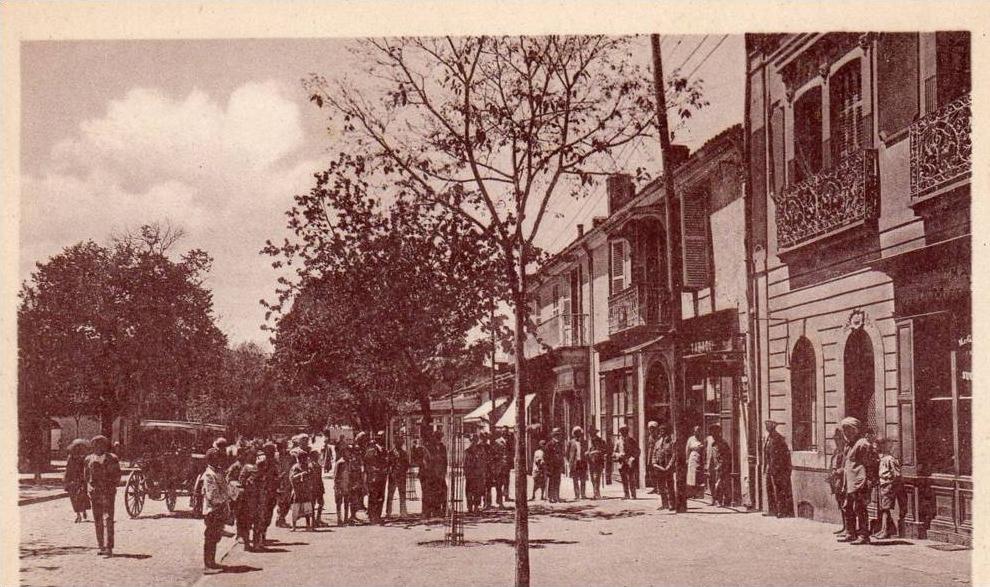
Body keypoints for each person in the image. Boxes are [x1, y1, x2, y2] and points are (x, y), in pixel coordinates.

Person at [838, 417, 878, 545]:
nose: (846, 432)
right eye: (844, 430)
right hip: (850, 482)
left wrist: (869, 480)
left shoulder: (862, 444)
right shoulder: (849, 444)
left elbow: (871, 464)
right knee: (847, 507)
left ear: (855, 430)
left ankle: (863, 535)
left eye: (848, 429)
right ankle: (850, 533)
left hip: (860, 482)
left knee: (859, 508)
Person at [84, 435, 121, 557]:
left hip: (108, 493)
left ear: (105, 446)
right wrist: (89, 487)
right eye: (95, 445)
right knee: (98, 519)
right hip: (95, 493)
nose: (98, 447)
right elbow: (86, 476)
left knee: (109, 518)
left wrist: (110, 486)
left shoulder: (112, 459)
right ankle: (101, 545)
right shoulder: (88, 459)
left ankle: (109, 546)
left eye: (101, 445)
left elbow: (117, 476)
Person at [202, 447, 232, 570]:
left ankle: (212, 562)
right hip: (213, 510)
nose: (219, 460)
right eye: (216, 458)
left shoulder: (217, 472)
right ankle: (208, 564)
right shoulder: (209, 474)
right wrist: (226, 497)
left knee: (215, 537)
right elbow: (212, 496)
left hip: (219, 509)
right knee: (211, 537)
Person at [873, 437, 906, 540]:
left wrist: (890, 484)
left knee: (885, 509)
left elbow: (897, 474)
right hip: (883, 485)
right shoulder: (883, 458)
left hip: (888, 486)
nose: (878, 448)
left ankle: (885, 531)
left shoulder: (890, 459)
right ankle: (883, 530)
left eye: (880, 445)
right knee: (884, 509)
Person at [762, 419, 793, 518]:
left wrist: (778, 468)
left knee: (778, 489)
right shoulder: (768, 438)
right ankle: (772, 510)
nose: (767, 428)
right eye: (766, 426)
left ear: (773, 427)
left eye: (768, 426)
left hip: (777, 469)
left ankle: (781, 511)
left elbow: (783, 455)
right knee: (769, 489)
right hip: (769, 467)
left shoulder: (778, 438)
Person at [236, 449, 261, 550]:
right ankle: (248, 543)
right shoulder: (247, 467)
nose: (254, 457)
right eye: (252, 456)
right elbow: (241, 480)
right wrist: (248, 482)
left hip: (256, 498)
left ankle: (255, 543)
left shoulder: (259, 467)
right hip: (248, 498)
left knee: (256, 521)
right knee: (248, 522)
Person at [650, 423, 676, 510]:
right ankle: (664, 504)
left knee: (669, 486)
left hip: (667, 467)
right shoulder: (657, 442)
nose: (662, 433)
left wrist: (669, 466)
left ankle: (672, 504)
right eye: (661, 431)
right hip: (659, 466)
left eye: (664, 431)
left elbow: (674, 455)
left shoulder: (671, 442)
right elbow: (654, 453)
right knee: (661, 486)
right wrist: (654, 463)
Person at [365, 431, 389, 524]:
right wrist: (373, 471)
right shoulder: (371, 449)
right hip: (374, 476)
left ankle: (378, 516)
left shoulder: (384, 450)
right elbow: (367, 463)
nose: (382, 439)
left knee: (381, 496)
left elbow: (386, 462)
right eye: (380, 437)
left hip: (382, 476)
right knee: (373, 496)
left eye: (383, 437)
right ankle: (372, 516)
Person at [64, 439, 90, 523]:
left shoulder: (83, 458)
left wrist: (84, 479)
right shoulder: (70, 458)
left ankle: (84, 510)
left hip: (81, 479)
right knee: (73, 498)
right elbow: (68, 469)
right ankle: (78, 514)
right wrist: (66, 480)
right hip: (72, 479)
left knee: (82, 496)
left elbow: (86, 469)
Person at [828, 427, 847, 536]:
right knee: (840, 504)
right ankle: (844, 526)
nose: (836, 441)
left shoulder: (845, 451)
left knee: (845, 505)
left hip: (843, 481)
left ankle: (848, 528)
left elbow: (847, 466)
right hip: (836, 481)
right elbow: (833, 464)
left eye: (838, 439)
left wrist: (838, 471)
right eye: (835, 439)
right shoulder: (836, 451)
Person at [613, 425, 640, 500]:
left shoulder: (632, 441)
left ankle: (633, 495)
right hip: (621, 462)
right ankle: (626, 494)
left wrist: (632, 458)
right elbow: (614, 452)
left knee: (631, 479)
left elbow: (637, 451)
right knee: (624, 479)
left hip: (630, 462)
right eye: (622, 431)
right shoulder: (618, 442)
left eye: (625, 431)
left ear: (627, 431)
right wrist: (618, 455)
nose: (623, 433)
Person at [289, 449, 314, 531]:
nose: (304, 460)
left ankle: (308, 525)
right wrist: (301, 475)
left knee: (307, 509)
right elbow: (292, 478)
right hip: (297, 491)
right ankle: (294, 526)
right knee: (295, 509)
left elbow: (312, 477)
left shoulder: (308, 467)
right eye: (302, 458)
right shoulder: (295, 467)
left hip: (306, 491)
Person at [386, 435, 410, 518]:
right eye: (398, 442)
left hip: (401, 476)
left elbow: (407, 464)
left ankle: (403, 512)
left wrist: (403, 470)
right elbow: (388, 464)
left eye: (401, 443)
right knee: (390, 495)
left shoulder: (404, 453)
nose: (399, 444)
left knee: (402, 494)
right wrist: (391, 471)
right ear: (395, 443)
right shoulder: (391, 453)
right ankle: (388, 512)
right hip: (393, 476)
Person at [708, 424, 732, 506]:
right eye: (712, 433)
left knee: (719, 484)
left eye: (714, 433)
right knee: (713, 483)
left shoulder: (722, 443)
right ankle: (715, 499)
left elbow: (726, 456)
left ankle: (720, 500)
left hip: (720, 467)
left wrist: (720, 465)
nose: (713, 435)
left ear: (718, 433)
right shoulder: (713, 443)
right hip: (713, 466)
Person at [333, 444, 355, 525]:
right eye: (348, 451)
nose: (349, 453)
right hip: (340, 486)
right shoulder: (340, 463)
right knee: (339, 503)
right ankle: (339, 519)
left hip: (347, 485)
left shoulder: (349, 462)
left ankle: (346, 518)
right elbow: (336, 476)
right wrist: (337, 487)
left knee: (346, 502)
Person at [566, 426, 588, 500]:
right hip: (574, 463)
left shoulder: (584, 442)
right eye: (576, 433)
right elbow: (567, 453)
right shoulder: (570, 442)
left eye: (579, 433)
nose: (578, 434)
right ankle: (577, 495)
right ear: (574, 434)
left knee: (583, 479)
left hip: (582, 462)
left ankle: (583, 494)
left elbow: (586, 451)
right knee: (575, 479)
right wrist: (570, 462)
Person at [275, 440, 293, 528]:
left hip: (288, 482)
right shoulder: (275, 457)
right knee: (281, 502)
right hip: (279, 483)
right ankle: (280, 519)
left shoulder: (289, 456)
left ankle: (281, 519)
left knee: (288, 502)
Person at [684, 426, 705, 499]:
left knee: (698, 476)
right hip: (692, 458)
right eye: (695, 431)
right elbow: (687, 449)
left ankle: (698, 493)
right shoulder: (691, 439)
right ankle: (691, 493)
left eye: (698, 431)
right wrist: (687, 459)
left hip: (700, 458)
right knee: (692, 476)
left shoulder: (702, 439)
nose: (697, 432)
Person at [586, 427, 606, 499]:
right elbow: (589, 450)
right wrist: (587, 452)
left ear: (595, 433)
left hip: (598, 462)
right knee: (592, 478)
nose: (591, 435)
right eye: (590, 433)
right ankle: (595, 493)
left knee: (596, 478)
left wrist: (593, 452)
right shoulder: (589, 441)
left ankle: (597, 494)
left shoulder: (600, 441)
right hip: (591, 462)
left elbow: (603, 450)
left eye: (592, 433)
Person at [546, 428, 565, 503]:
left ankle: (556, 496)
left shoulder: (560, 444)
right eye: (557, 435)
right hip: (551, 466)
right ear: (554, 436)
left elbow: (561, 454)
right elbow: (546, 456)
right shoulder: (549, 444)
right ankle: (550, 497)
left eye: (559, 435)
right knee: (551, 481)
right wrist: (548, 467)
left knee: (557, 481)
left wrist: (562, 463)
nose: (559, 436)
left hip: (558, 465)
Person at [310, 448, 327, 526]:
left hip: (318, 487)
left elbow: (319, 478)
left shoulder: (317, 465)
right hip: (313, 487)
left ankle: (317, 519)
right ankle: (314, 520)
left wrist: (322, 487)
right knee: (313, 504)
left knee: (321, 503)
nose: (318, 457)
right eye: (316, 455)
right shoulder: (311, 466)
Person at [645, 421, 659, 494]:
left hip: (656, 456)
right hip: (650, 456)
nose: (651, 430)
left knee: (657, 472)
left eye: (653, 428)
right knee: (651, 472)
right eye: (650, 429)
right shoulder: (650, 437)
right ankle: (655, 487)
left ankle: (659, 488)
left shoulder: (659, 437)